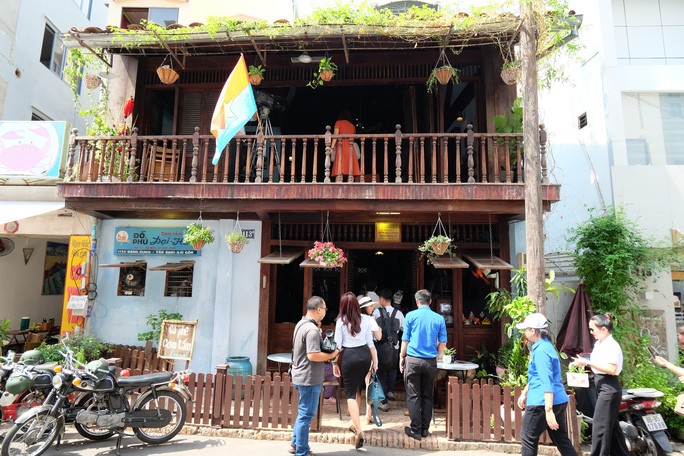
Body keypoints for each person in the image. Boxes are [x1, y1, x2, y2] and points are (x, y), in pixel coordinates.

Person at [516, 313, 575, 456]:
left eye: (526, 329)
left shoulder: (541, 350)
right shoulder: (545, 346)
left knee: (528, 437)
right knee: (560, 438)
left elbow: (546, 380)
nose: (524, 332)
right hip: (557, 399)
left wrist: (548, 410)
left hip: (541, 402)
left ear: (533, 331)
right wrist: (525, 392)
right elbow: (537, 375)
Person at [573, 313, 629, 456]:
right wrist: (585, 363)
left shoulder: (611, 345)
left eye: (593, 329)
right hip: (602, 385)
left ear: (604, 329)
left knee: (600, 427)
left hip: (609, 386)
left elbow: (612, 369)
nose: (591, 332)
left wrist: (588, 362)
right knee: (612, 427)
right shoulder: (599, 344)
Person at [290, 296, 340, 456]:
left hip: (300, 374)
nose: (325, 312)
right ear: (319, 309)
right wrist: (332, 354)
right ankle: (302, 451)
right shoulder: (311, 330)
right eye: (325, 309)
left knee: (303, 412)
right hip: (309, 377)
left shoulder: (301, 324)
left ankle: (295, 444)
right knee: (306, 415)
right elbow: (312, 355)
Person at [399, 289, 447, 440]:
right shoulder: (439, 318)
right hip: (430, 361)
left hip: (413, 360)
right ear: (430, 302)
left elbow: (405, 339)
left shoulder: (410, 316)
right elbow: (443, 342)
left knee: (413, 395)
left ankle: (415, 430)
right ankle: (425, 429)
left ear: (416, 301)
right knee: (427, 395)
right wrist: (437, 356)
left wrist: (401, 356)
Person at [333, 292, 378, 449]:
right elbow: (370, 343)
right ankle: (354, 423)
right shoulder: (366, 319)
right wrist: (375, 362)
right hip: (365, 356)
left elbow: (337, 345)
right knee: (360, 387)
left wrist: (334, 363)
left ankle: (359, 430)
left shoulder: (341, 322)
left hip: (349, 357)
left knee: (351, 394)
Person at [372, 287, 405, 410]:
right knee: (392, 368)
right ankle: (391, 391)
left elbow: (371, 330)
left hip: (379, 346)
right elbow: (404, 329)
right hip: (394, 347)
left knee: (380, 372)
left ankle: (384, 402)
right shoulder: (399, 313)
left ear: (381, 299)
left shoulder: (376, 312)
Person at [358, 295, 382, 423]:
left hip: (355, 352)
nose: (373, 308)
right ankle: (368, 414)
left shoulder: (353, 319)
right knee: (369, 383)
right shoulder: (370, 319)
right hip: (368, 352)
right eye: (371, 306)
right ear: (365, 307)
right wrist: (380, 330)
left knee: (356, 385)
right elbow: (378, 337)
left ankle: (354, 412)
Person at [330, 110, 360, 179]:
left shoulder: (338, 122)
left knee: (339, 172)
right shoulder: (352, 126)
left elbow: (335, 136)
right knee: (350, 172)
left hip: (341, 148)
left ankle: (338, 186)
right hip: (350, 149)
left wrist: (331, 148)